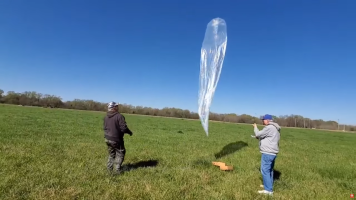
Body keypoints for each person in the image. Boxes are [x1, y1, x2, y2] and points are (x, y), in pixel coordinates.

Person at [252, 114, 281, 195]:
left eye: (263, 119)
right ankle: (268, 185)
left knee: (265, 170)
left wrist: (255, 127)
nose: (262, 121)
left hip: (268, 153)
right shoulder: (276, 128)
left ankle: (268, 190)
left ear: (268, 120)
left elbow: (258, 134)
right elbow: (269, 138)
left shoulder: (269, 127)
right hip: (273, 152)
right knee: (270, 170)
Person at [103, 101, 133, 174]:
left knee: (111, 154)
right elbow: (123, 128)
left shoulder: (106, 116)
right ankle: (117, 170)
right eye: (116, 106)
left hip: (107, 138)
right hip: (116, 139)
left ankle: (109, 169)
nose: (118, 107)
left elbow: (105, 127)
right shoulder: (119, 116)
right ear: (114, 108)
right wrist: (130, 132)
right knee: (120, 153)